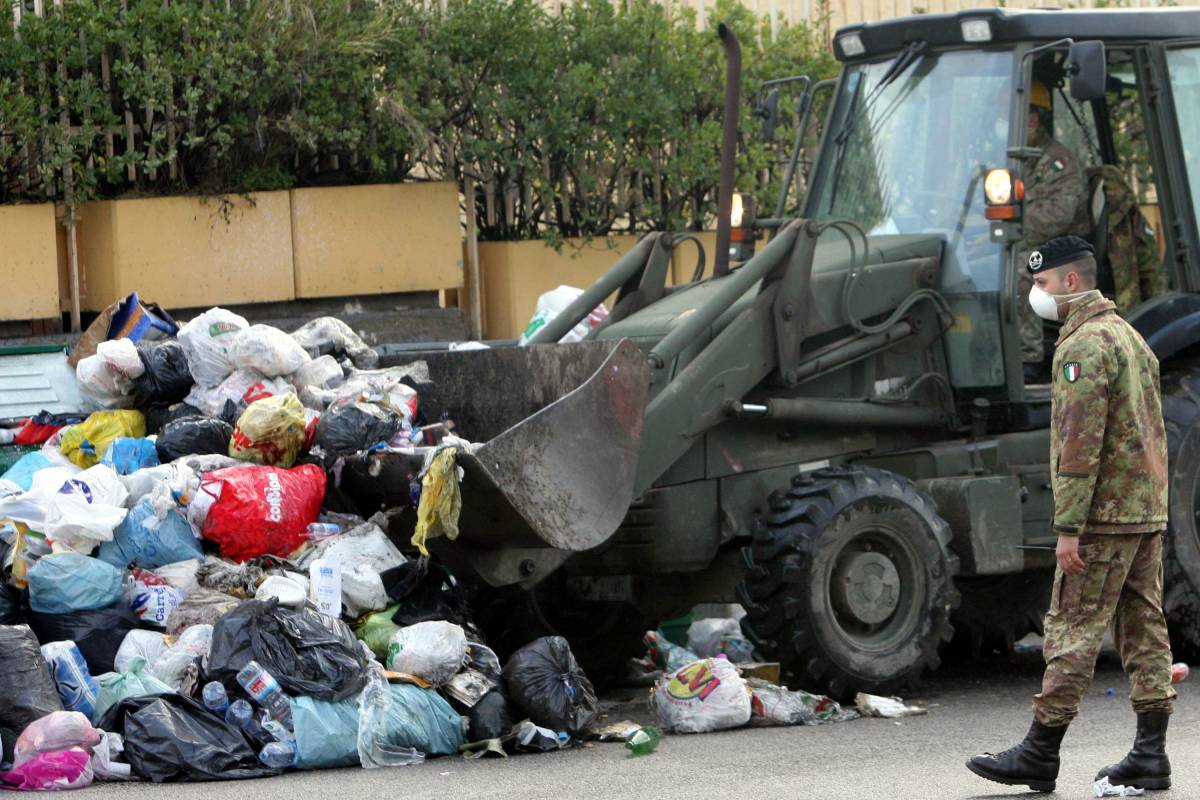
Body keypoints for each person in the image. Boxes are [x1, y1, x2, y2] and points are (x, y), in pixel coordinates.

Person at [967, 235, 1174, 793]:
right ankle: (1150, 755)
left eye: (1041, 284)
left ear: (1071, 282)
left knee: (1071, 628)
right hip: (1144, 511)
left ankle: (1040, 752)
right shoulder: (1131, 337)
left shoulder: (1082, 345)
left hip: (1103, 515)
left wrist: (1068, 529)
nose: (1037, 294)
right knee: (1144, 628)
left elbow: (1078, 445)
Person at [1017, 79, 1091, 382]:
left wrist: (1011, 233)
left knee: (1017, 271)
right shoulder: (1017, 161)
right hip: (1029, 241)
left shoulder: (1060, 161)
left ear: (1035, 117)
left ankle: (1028, 359)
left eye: (1023, 115)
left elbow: (1058, 216)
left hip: (1064, 248)